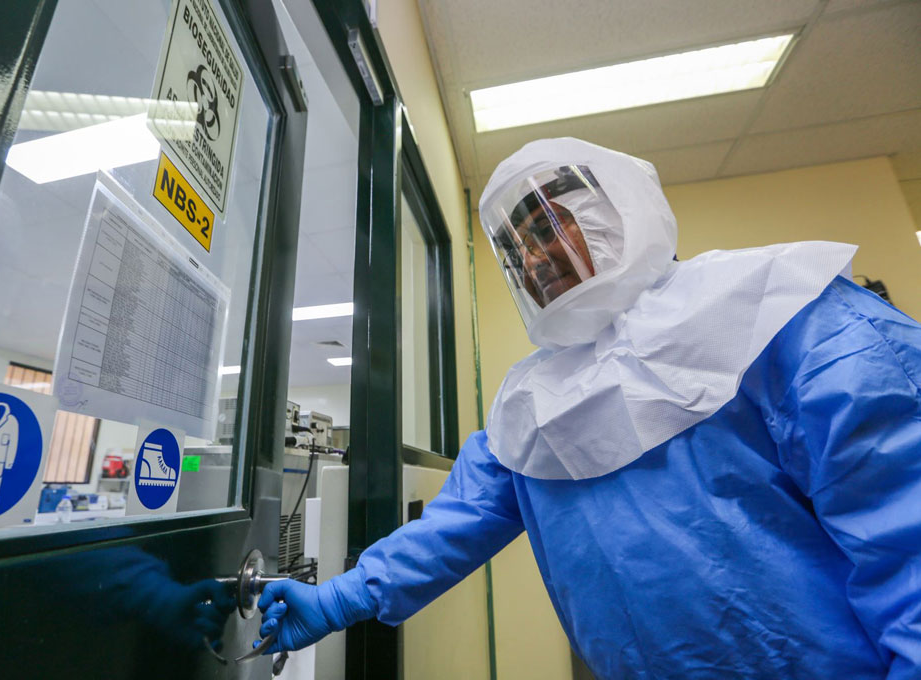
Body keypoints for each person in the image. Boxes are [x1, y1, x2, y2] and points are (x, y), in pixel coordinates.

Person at [255, 138, 921, 678]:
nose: (531, 259)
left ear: (623, 207)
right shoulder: (532, 402)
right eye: (513, 250)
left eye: (545, 226)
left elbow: (904, 529)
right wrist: (336, 600)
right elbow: (456, 523)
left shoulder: (779, 311)